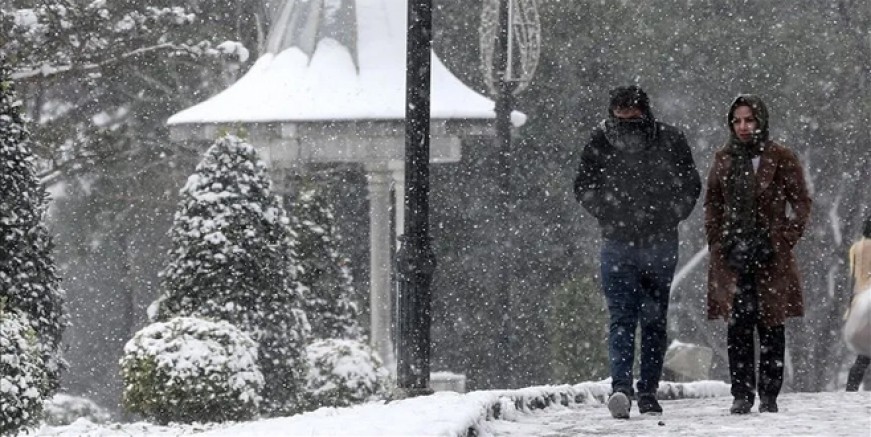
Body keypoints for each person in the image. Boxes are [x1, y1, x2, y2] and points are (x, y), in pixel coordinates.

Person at [574, 85, 701, 419]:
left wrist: (668, 214)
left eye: (632, 116)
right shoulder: (601, 142)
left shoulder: (670, 141)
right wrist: (610, 212)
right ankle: (625, 388)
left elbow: (690, 184)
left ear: (643, 112)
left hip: (655, 242)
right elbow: (583, 186)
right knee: (627, 318)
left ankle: (643, 389)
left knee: (649, 320)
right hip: (621, 242)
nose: (627, 123)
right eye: (621, 116)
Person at [704, 95, 812, 414]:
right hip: (733, 256)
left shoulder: (780, 156)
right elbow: (713, 204)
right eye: (737, 121)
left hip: (770, 257)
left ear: (760, 120)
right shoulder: (723, 158)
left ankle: (769, 395)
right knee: (738, 326)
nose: (743, 127)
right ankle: (741, 393)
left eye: (749, 120)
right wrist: (720, 242)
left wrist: (782, 239)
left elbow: (802, 203)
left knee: (771, 325)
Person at [846, 214, 871, 391]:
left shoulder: (856, 248)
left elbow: (853, 276)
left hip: (860, 299)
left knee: (864, 352)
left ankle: (851, 387)